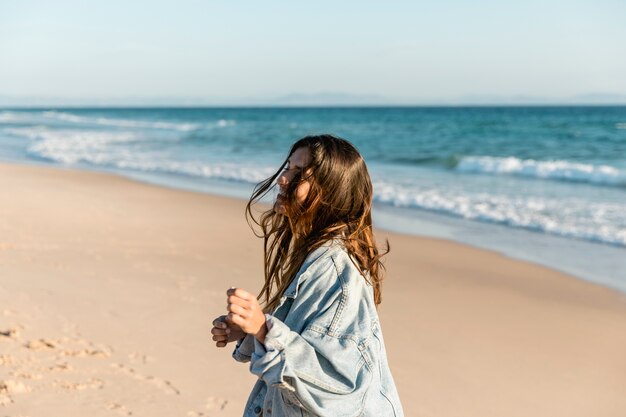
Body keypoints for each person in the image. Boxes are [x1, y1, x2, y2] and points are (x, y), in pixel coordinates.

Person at [211, 134, 404, 417]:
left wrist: (264, 328)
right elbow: (308, 339)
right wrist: (250, 331)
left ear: (331, 192)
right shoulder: (315, 256)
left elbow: (338, 382)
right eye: (288, 168)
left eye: (299, 174)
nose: (282, 179)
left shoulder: (335, 269)